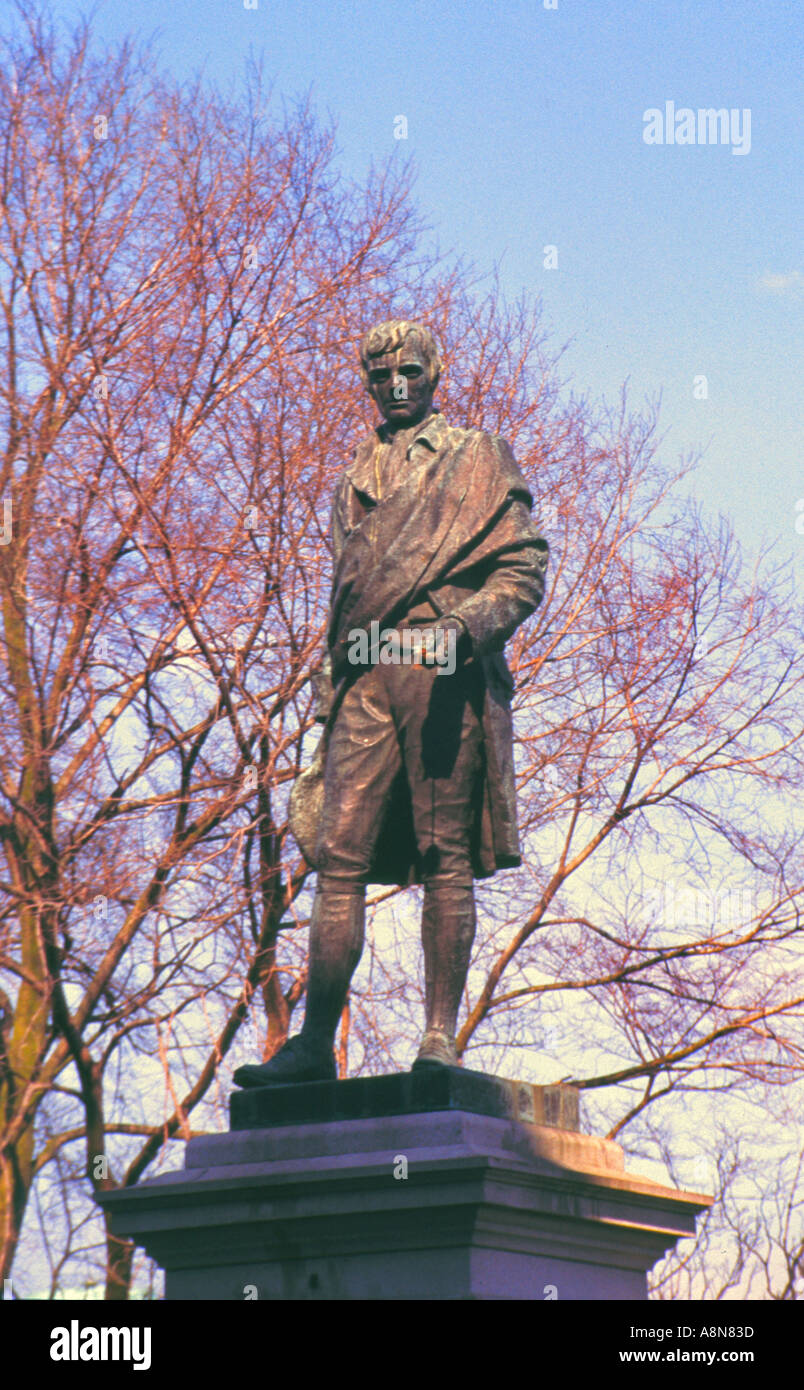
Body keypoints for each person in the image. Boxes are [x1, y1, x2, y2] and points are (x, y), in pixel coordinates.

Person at [234, 319, 548, 1086]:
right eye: (382, 376)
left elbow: (525, 566)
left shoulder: (476, 457)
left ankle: (439, 1038)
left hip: (439, 669)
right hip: (365, 672)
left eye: (410, 371)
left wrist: (465, 630)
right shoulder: (355, 474)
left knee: (445, 855)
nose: (397, 386)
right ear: (368, 384)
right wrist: (326, 692)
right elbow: (345, 597)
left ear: (435, 373)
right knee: (338, 857)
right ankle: (313, 1047)